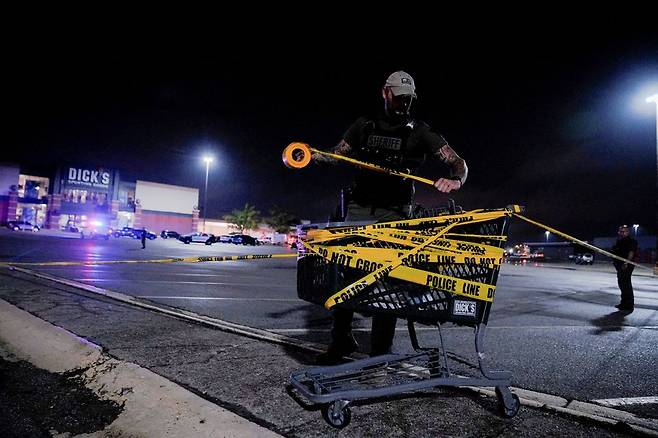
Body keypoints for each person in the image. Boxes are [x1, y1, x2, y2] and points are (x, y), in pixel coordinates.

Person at [313, 70, 468, 365]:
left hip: (395, 215)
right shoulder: (364, 125)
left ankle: (380, 352)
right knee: (345, 274)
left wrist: (455, 181)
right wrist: (311, 154)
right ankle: (341, 340)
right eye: (398, 97)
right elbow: (336, 154)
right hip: (359, 209)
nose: (403, 104)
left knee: (388, 282)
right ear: (385, 92)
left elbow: (458, 163)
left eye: (408, 99)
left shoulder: (420, 131)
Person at [611, 225, 638, 312]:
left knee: (626, 284)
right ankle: (623, 303)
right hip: (619, 265)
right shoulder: (619, 241)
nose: (620, 233)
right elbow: (614, 251)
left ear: (627, 232)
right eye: (620, 231)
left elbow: (631, 252)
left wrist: (626, 262)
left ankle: (629, 305)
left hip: (627, 265)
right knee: (621, 284)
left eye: (623, 232)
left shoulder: (631, 241)